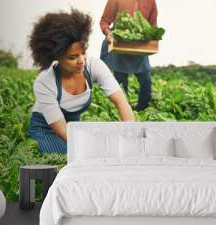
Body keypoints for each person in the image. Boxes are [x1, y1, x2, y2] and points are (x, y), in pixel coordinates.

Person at [27, 9, 135, 154]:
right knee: (69, 157)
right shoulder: (45, 81)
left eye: (83, 53)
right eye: (72, 57)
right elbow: (62, 130)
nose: (81, 61)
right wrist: (93, 150)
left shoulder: (94, 66)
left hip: (73, 128)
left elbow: (121, 101)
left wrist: (131, 139)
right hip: (46, 128)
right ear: (57, 57)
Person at [100, 0, 157, 111]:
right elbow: (105, 21)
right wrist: (108, 33)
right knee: (121, 83)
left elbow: (153, 26)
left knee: (146, 82)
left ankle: (141, 111)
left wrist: (152, 37)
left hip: (139, 48)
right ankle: (124, 114)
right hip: (120, 46)